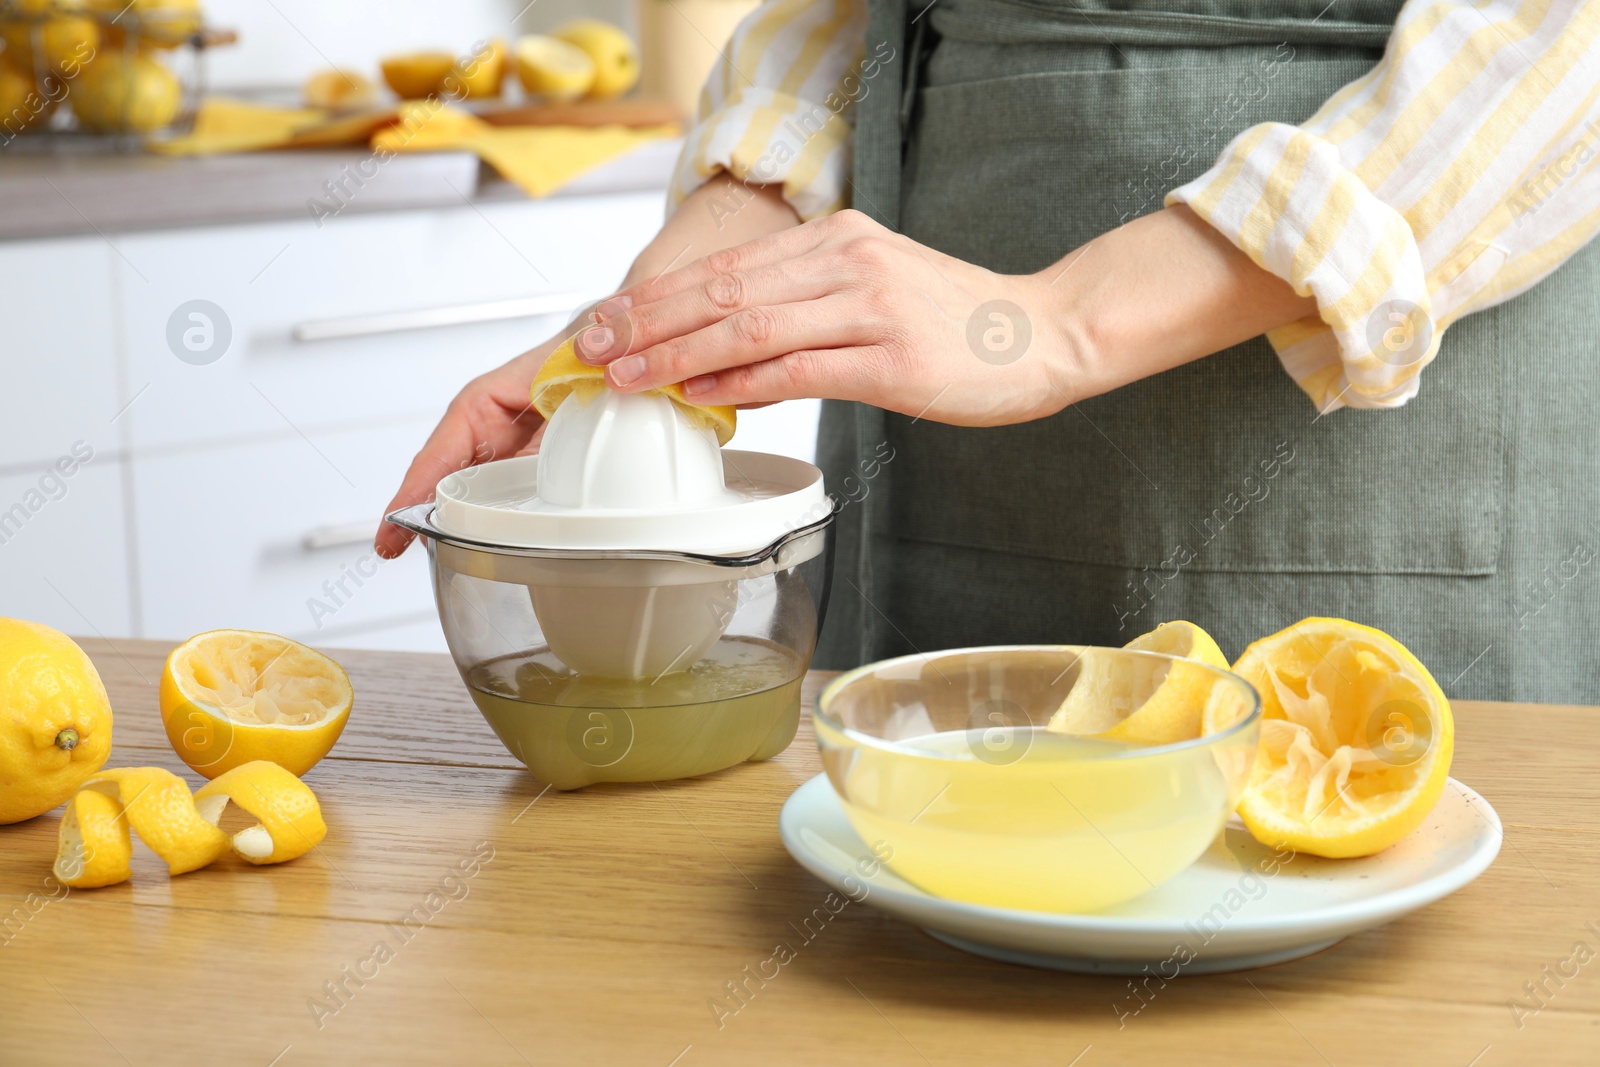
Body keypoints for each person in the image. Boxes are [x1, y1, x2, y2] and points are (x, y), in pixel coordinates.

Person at [378, 0, 1600, 703]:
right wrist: (657, 324)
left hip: (1363, 478)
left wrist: (1058, 322)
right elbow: (846, 25)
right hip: (926, 468)